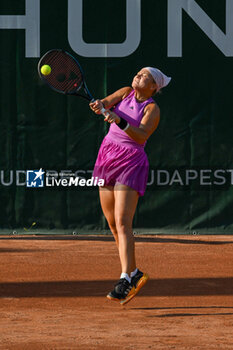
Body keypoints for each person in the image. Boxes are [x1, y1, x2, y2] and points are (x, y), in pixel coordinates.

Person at [90, 67, 171, 305]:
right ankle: (134, 273)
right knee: (113, 224)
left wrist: (120, 120)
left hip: (131, 160)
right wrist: (99, 106)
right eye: (138, 73)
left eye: (145, 76)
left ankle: (125, 279)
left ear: (154, 86)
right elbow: (105, 102)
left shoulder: (152, 109)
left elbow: (142, 134)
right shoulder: (125, 92)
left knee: (124, 221)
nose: (138, 76)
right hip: (106, 154)